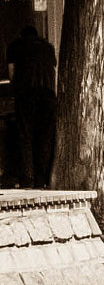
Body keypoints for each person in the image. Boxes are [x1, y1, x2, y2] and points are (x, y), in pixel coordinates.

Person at [6, 26, 57, 188]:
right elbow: (52, 71)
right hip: (48, 95)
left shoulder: (16, 46)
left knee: (25, 135)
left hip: (26, 93)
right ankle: (41, 179)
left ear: (22, 35)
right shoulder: (48, 48)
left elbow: (12, 73)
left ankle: (27, 177)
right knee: (45, 136)